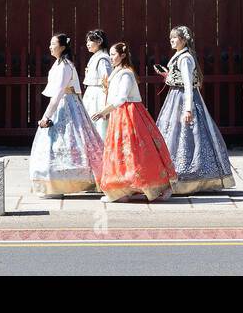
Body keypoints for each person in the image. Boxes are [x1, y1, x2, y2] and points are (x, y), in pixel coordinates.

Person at [91, 41, 176, 202]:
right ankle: (123, 189)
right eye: (110, 55)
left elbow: (122, 98)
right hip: (119, 115)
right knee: (120, 151)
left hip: (129, 115)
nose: (111, 57)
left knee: (135, 151)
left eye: (114, 54)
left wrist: (104, 111)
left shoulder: (126, 74)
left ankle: (153, 186)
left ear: (123, 56)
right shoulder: (116, 72)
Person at [155, 25, 235, 194]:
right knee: (176, 134)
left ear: (184, 40)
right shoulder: (181, 56)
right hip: (175, 95)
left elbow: (189, 85)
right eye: (171, 37)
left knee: (187, 134)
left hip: (183, 98)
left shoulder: (185, 58)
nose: (172, 40)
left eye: (175, 37)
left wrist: (188, 109)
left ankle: (189, 175)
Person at [28, 33, 104, 196]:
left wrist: (47, 116)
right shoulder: (59, 64)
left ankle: (59, 183)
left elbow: (59, 92)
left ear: (62, 47)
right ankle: (54, 183)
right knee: (59, 143)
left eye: (53, 43)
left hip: (66, 104)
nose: (50, 46)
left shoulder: (65, 66)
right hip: (65, 104)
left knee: (63, 141)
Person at [81, 29, 111, 137]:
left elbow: (107, 80)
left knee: (100, 125)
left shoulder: (103, 59)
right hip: (92, 93)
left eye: (90, 41)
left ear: (99, 42)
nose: (87, 44)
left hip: (99, 94)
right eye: (87, 41)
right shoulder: (96, 57)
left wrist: (106, 105)